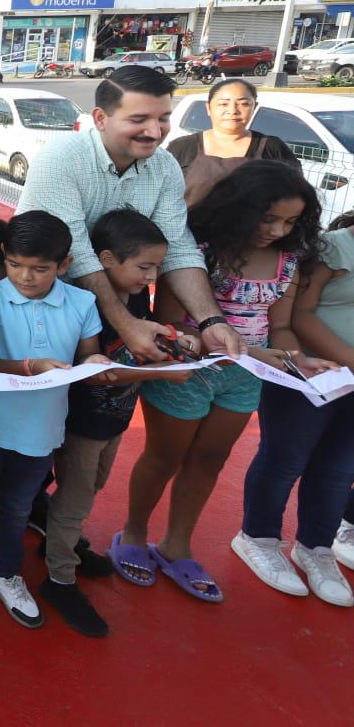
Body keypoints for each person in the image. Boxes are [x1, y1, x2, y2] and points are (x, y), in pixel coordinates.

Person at [124, 162, 328, 602]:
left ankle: (177, 544)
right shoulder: (198, 252)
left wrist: (300, 360)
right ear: (241, 207)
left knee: (210, 460)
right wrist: (252, 352)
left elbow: (282, 327)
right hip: (188, 371)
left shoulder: (289, 260)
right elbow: (172, 325)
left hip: (244, 381)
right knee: (164, 458)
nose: (277, 230)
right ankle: (134, 535)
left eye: (290, 221)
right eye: (269, 217)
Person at [18, 64, 246, 368]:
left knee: (109, 409)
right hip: (48, 302)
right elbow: (79, 254)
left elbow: (177, 248)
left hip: (124, 300)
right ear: (100, 118)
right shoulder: (61, 158)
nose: (154, 132)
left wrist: (211, 321)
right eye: (138, 120)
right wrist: (127, 326)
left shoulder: (165, 166)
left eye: (163, 118)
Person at [0, 211, 106, 631]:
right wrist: (30, 365)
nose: (26, 277)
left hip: (42, 432)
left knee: (17, 510)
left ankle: (3, 570)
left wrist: (98, 362)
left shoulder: (83, 303)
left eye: (40, 269)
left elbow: (88, 354)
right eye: (16, 265)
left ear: (64, 265)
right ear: (4, 255)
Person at [43, 209, 197, 637]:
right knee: (74, 499)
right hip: (84, 421)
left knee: (92, 487)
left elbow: (135, 348)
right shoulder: (85, 301)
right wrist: (159, 372)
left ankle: (63, 547)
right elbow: (96, 370)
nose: (151, 278)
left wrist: (173, 342)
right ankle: (59, 578)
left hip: (115, 420)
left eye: (156, 269)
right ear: (107, 259)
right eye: (144, 267)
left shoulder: (134, 299)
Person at [264, 209, 354, 604]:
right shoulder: (334, 248)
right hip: (314, 374)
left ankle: (315, 549)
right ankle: (259, 538)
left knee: (339, 469)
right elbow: (301, 315)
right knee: (285, 460)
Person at [164, 79, 298, 206]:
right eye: (223, 104)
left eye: (244, 104)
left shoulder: (272, 148)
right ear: (208, 108)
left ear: (254, 107)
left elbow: (294, 195)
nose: (233, 111)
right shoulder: (182, 147)